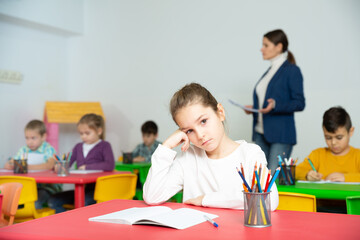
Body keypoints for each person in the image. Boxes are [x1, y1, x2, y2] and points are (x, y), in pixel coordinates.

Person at [143, 83, 279, 210]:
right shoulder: (188, 158)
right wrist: (166, 147)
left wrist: (205, 199)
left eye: (203, 121)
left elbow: (269, 200)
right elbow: (152, 196)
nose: (200, 135)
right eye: (189, 131)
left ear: (220, 112)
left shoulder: (250, 154)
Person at [244, 29, 305, 174]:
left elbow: (300, 102)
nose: (261, 49)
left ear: (279, 47)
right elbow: (266, 102)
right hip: (260, 133)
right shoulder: (269, 72)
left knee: (271, 180)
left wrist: (276, 105)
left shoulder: (292, 70)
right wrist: (255, 108)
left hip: (281, 136)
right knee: (258, 178)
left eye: (266, 45)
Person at [48, 113, 115, 213]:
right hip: (81, 190)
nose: (84, 136)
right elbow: (68, 162)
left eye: (87, 133)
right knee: (53, 201)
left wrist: (87, 167)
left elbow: (110, 165)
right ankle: (68, 223)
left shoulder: (105, 146)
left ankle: (79, 224)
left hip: (98, 190)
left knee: (83, 203)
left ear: (99, 131)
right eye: (81, 133)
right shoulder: (78, 147)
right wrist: (58, 167)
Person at [4, 119, 60, 208]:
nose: (30, 141)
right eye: (27, 138)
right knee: (13, 202)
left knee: (35, 203)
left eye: (33, 138)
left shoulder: (48, 149)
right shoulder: (23, 150)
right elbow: (10, 163)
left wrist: (27, 167)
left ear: (43, 137)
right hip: (27, 187)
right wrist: (10, 164)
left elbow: (49, 165)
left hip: (46, 187)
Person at [296, 107, 360, 182]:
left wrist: (346, 178)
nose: (333, 142)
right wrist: (307, 174)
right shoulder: (317, 155)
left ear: (351, 132)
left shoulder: (357, 156)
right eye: (328, 137)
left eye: (339, 137)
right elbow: (295, 171)